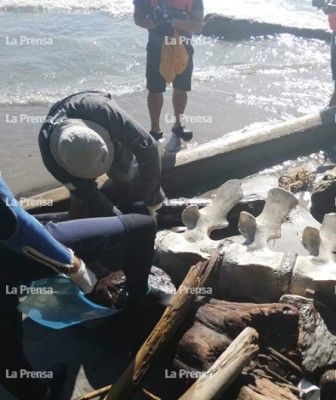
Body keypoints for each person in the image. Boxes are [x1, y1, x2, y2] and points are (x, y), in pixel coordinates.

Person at [0, 173, 170, 399]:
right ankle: (140, 294)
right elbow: (14, 226)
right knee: (142, 225)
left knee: (3, 340)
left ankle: (37, 393)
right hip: (12, 254)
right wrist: (73, 264)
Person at [38, 91, 165, 218]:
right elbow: (90, 195)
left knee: (122, 174)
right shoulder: (51, 159)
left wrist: (153, 201)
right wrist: (117, 220)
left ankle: (124, 199)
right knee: (80, 198)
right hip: (69, 152)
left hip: (97, 115)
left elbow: (148, 147)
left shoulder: (105, 112)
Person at [133, 0, 204, 154]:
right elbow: (138, 18)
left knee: (180, 88)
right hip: (156, 48)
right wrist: (152, 22)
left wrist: (173, 22)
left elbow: (198, 25)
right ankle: (155, 131)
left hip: (182, 49)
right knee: (155, 89)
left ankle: (177, 127)